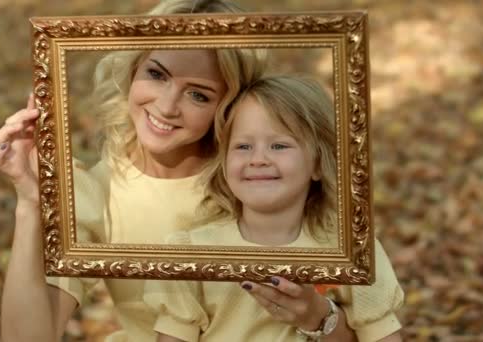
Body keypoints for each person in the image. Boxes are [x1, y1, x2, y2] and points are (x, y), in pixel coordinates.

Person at [0, 1, 268, 341]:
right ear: (133, 69)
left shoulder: (260, 176)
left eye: (198, 94)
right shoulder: (94, 194)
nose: (167, 107)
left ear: (228, 106)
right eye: (157, 74)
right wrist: (31, 203)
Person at [143, 76, 404, 342]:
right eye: (243, 146)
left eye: (279, 146)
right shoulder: (190, 252)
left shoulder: (353, 250)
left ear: (317, 164)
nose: (258, 159)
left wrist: (319, 316)